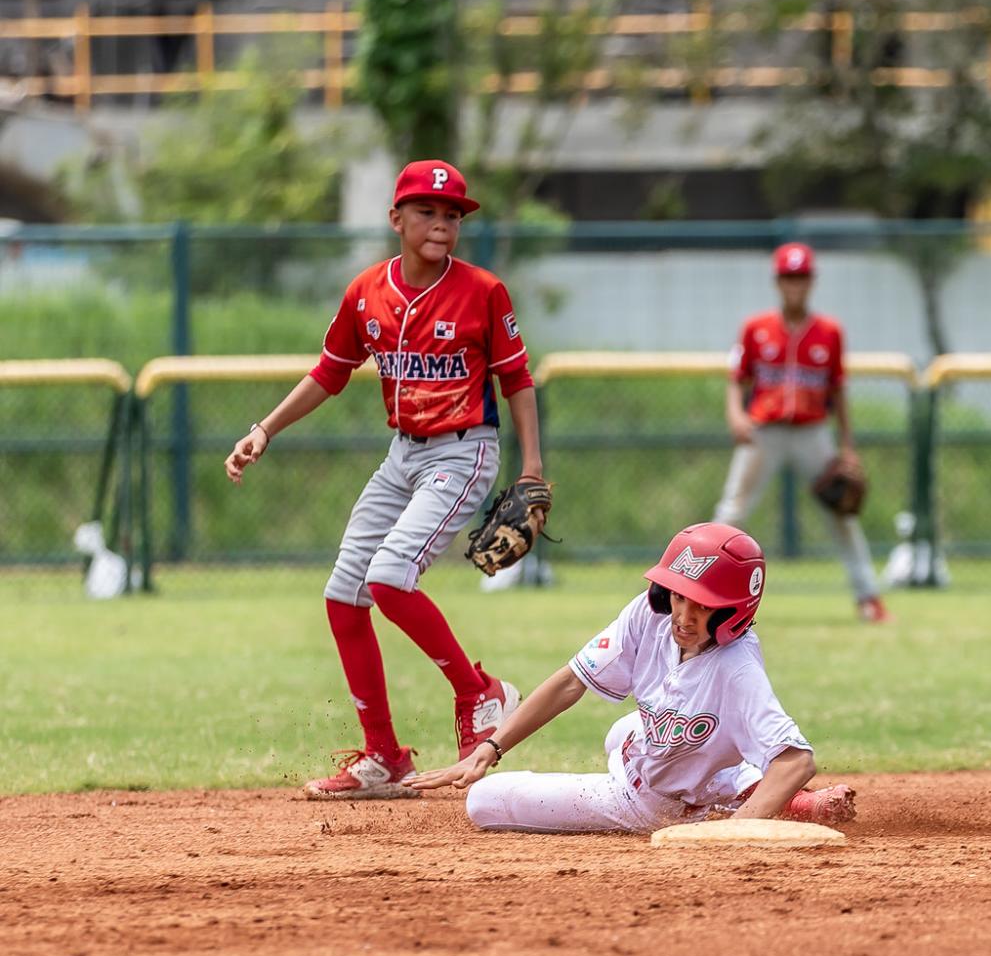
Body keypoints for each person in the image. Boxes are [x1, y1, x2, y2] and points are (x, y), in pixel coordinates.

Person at [225, 160, 538, 800]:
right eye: (427, 211)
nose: (442, 223)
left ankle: (480, 692)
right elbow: (329, 373)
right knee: (345, 595)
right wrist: (265, 429)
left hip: (463, 451)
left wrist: (532, 468)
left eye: (452, 215)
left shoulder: (483, 291)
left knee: (390, 577)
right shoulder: (367, 291)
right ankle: (384, 757)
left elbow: (517, 380)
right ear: (396, 219)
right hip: (402, 455)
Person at [410, 523, 858, 833]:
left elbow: (796, 761)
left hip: (645, 802)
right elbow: (572, 681)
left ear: (733, 611)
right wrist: (490, 747)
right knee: (622, 731)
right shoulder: (649, 615)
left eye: (702, 605)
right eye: (679, 596)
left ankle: (715, 804)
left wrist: (738, 834)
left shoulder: (735, 667)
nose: (683, 614)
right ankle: (745, 791)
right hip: (663, 750)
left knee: (482, 802)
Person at [717, 241, 889, 622]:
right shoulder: (755, 329)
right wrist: (735, 415)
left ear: (812, 282)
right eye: (789, 277)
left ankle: (868, 597)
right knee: (732, 511)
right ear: (778, 282)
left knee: (842, 514)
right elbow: (736, 378)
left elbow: (838, 390)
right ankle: (693, 591)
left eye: (801, 277)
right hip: (764, 430)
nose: (795, 285)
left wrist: (847, 445)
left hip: (813, 433)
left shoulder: (829, 332)